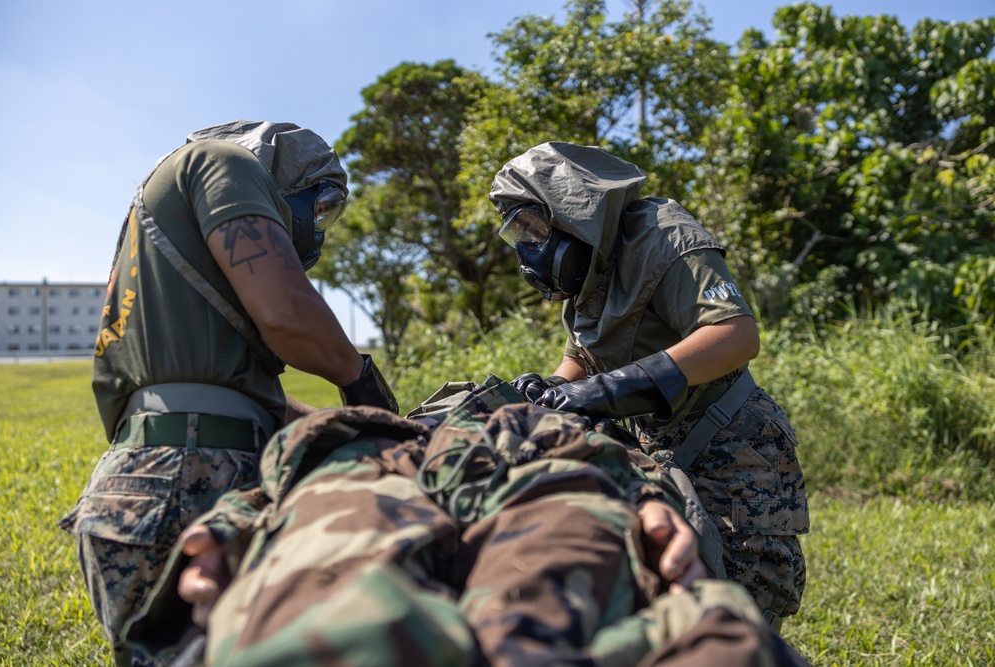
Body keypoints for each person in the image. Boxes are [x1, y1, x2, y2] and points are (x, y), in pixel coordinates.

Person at [123, 376, 812, 667]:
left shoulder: (525, 416)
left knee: (554, 572)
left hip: (530, 465)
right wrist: (227, 527)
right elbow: (273, 488)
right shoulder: (345, 434)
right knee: (334, 613)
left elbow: (611, 459)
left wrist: (648, 497)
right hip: (367, 472)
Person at [58, 120, 398, 667]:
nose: (320, 226)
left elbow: (229, 396)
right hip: (193, 484)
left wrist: (338, 428)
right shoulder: (224, 162)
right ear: (280, 177)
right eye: (322, 204)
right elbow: (288, 313)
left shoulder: (158, 237)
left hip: (134, 483)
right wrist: (361, 385)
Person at [489, 142, 809, 630]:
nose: (530, 246)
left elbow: (735, 335)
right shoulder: (591, 275)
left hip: (730, 440)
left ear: (572, 211)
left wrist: (604, 393)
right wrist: (553, 391)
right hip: (657, 442)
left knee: (743, 609)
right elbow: (582, 354)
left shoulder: (664, 234)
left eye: (534, 227)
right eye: (520, 235)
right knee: (672, 595)